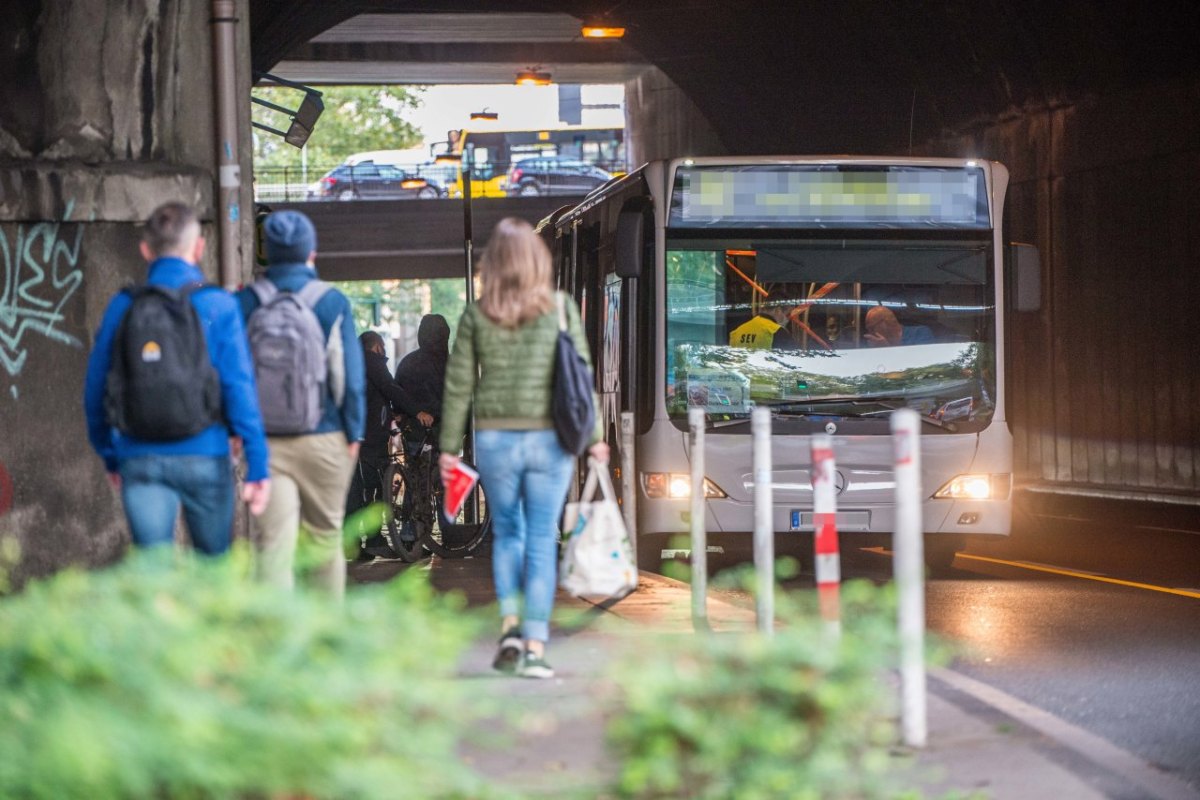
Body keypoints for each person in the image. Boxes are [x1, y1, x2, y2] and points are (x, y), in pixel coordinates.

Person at [438, 217, 608, 680]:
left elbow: (457, 385)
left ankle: (510, 626)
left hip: (495, 438)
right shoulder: (559, 308)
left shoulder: (477, 314)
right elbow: (580, 377)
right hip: (549, 440)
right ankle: (534, 644)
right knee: (539, 540)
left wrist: (449, 447)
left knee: (508, 535)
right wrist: (594, 439)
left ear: (492, 264)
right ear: (539, 262)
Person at [84, 202, 271, 558]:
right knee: (214, 571)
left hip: (139, 456)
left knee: (154, 575)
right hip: (207, 452)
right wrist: (257, 464)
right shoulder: (218, 305)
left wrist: (111, 455)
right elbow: (239, 388)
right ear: (198, 247)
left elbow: (95, 390)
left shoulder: (123, 305)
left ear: (145, 249)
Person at [237, 210, 365, 596]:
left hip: (265, 444)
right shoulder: (331, 302)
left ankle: (277, 645)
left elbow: (233, 374)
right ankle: (325, 647)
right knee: (326, 543)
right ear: (312, 252)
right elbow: (349, 379)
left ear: (268, 252)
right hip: (325, 436)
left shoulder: (246, 301)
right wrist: (353, 431)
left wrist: (238, 432)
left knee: (273, 548)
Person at [350, 330, 433, 559]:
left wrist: (391, 415)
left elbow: (375, 395)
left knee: (358, 490)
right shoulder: (372, 362)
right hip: (368, 438)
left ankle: (357, 544)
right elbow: (390, 388)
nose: (384, 351)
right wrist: (416, 412)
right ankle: (373, 539)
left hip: (354, 436)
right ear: (376, 346)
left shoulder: (353, 363)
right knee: (373, 489)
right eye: (383, 347)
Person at [729, 303, 799, 350]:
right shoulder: (776, 331)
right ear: (778, 310)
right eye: (787, 314)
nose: (788, 319)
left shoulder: (737, 332)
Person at [863, 306, 935, 347]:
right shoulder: (876, 343)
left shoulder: (920, 333)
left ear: (884, 323)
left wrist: (885, 349)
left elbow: (921, 362)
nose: (870, 332)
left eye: (872, 328)